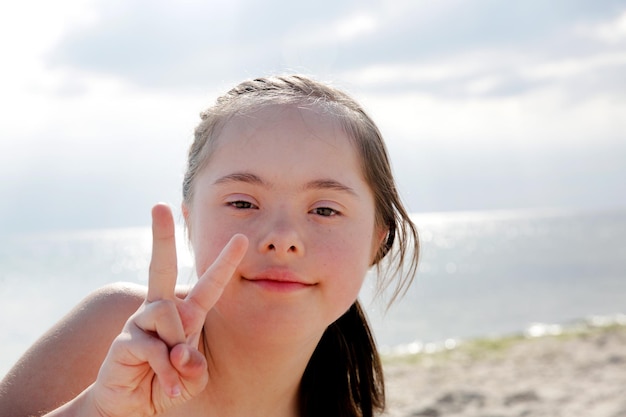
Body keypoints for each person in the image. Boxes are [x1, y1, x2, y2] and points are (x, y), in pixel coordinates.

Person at [0, 74, 419, 417]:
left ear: (377, 239)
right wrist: (94, 410)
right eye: (242, 202)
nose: (282, 239)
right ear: (190, 219)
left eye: (325, 210)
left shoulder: (344, 406)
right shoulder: (119, 336)